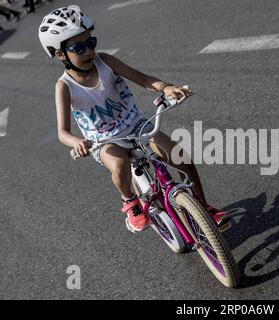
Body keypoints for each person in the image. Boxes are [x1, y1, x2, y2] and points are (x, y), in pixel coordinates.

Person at [38, 5, 229, 232]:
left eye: (91, 43)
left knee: (182, 158)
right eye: (79, 48)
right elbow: (62, 133)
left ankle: (204, 208)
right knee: (119, 165)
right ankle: (130, 201)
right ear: (60, 54)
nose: (89, 51)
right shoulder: (64, 86)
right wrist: (77, 142)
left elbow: (144, 79)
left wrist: (166, 87)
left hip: (137, 126)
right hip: (104, 141)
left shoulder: (106, 61)